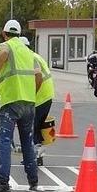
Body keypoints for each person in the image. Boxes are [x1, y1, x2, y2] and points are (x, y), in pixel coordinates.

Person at [0, 20, 41, 192]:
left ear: (4, 33)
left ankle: (2, 183)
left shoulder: (4, 46)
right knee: (27, 142)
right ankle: (33, 179)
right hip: (28, 103)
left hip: (11, 102)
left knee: (5, 141)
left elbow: (5, 53)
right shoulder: (29, 52)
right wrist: (31, 94)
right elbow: (38, 77)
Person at [20, 36, 54, 165]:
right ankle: (37, 155)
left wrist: (31, 96)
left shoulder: (30, 58)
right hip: (46, 95)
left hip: (40, 97)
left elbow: (38, 78)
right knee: (37, 126)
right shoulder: (35, 56)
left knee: (32, 126)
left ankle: (34, 156)